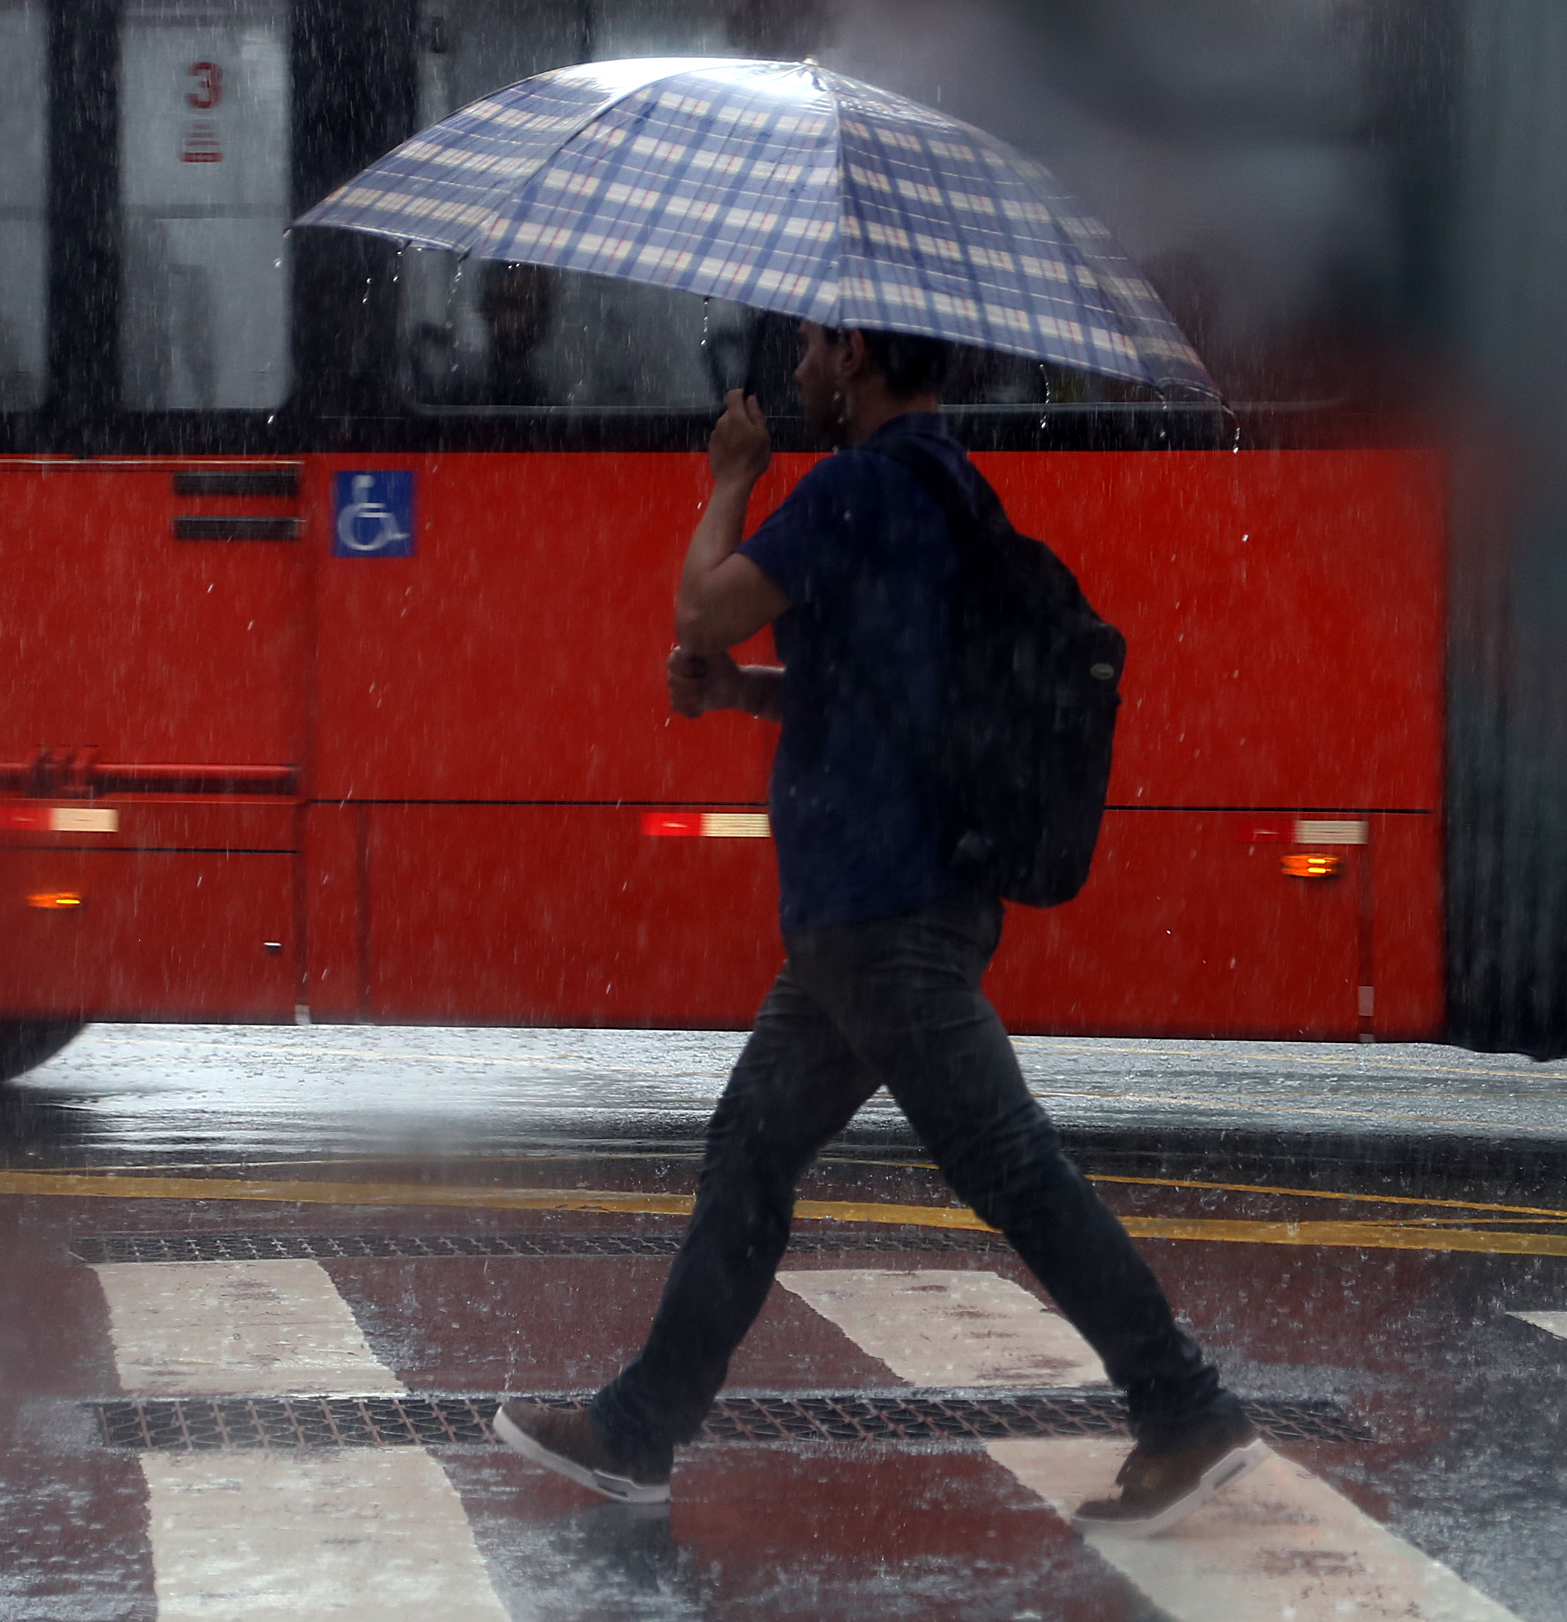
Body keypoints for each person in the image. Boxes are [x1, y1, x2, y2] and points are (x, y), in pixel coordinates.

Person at [495, 320, 1267, 1536]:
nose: (793, 365)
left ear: (854, 355)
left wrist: (732, 479)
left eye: (809, 345)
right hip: (891, 902)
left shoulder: (855, 485)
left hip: (878, 908)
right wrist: (750, 691)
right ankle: (641, 1427)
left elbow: (702, 605)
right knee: (751, 1150)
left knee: (1010, 1167)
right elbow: (883, 691)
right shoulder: (948, 484)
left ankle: (1184, 1403)